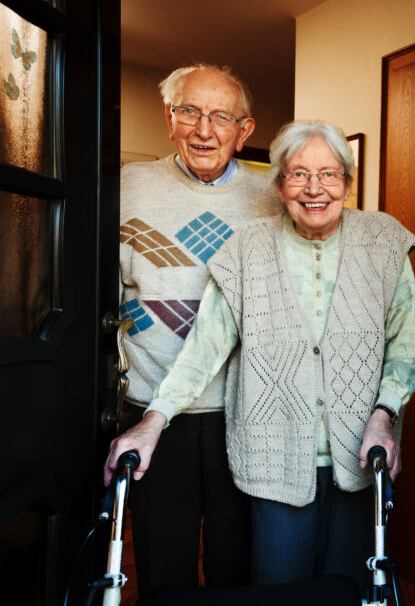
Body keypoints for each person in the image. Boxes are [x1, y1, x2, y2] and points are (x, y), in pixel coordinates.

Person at [108, 119, 415, 591]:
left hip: (360, 458)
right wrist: (152, 422)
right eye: (298, 174)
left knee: (350, 591)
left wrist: (384, 415)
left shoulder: (384, 241)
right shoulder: (246, 249)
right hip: (274, 461)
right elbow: (205, 347)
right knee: (278, 590)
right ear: (278, 184)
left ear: (347, 182)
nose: (314, 188)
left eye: (329, 174)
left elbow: (406, 348)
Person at [105, 63, 282, 593]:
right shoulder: (124, 186)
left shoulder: (271, 199)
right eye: (190, 112)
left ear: (244, 130)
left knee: (237, 563)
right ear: (169, 119)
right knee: (163, 564)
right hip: (154, 409)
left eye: (220, 117)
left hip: (242, 409)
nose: (204, 130)